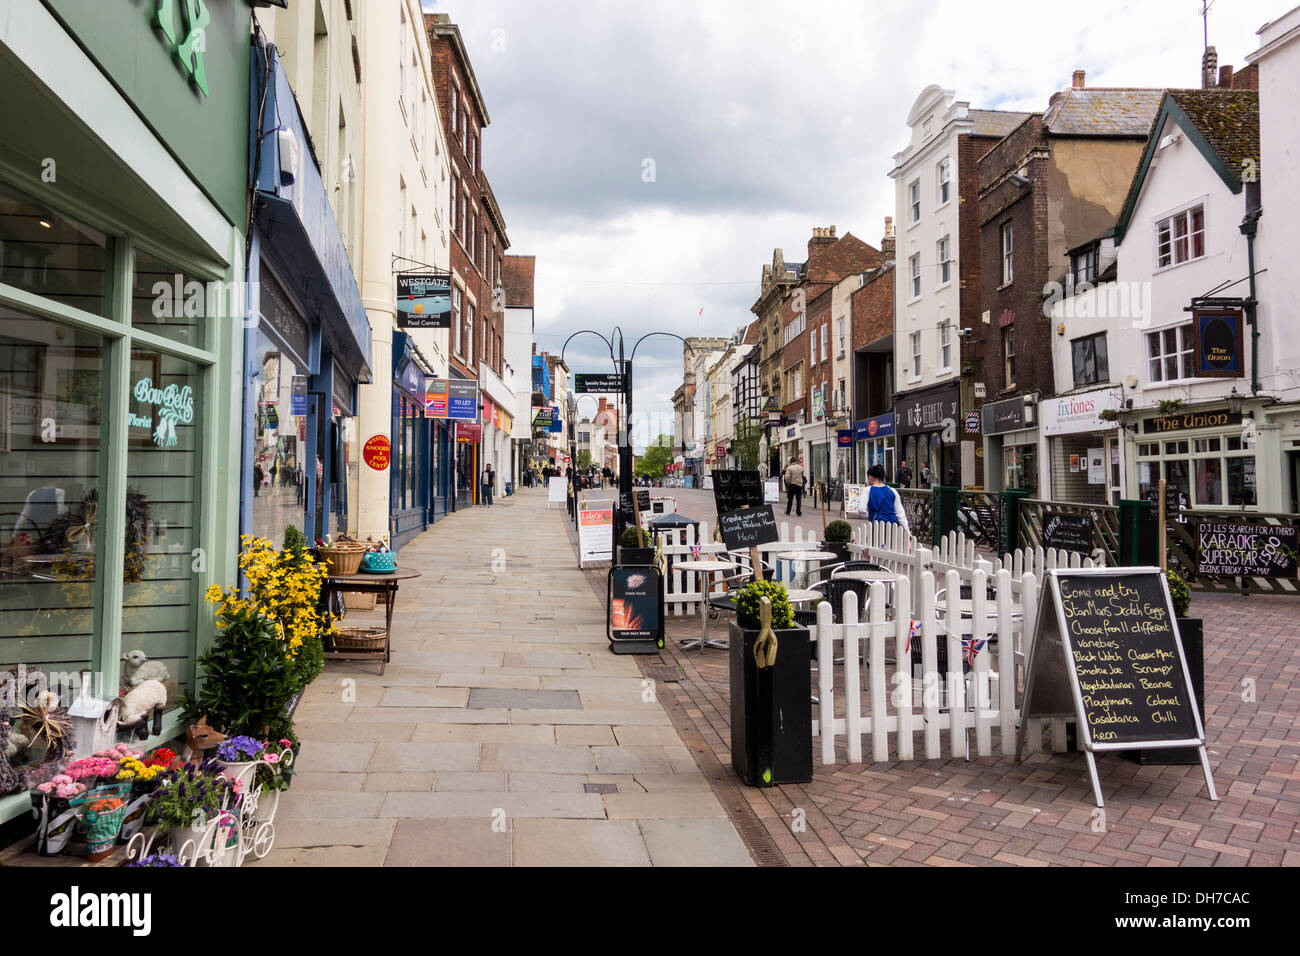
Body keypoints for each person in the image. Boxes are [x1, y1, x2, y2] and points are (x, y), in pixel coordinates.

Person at [866, 464, 909, 535]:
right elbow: (900, 513)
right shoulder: (892, 491)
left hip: (876, 525)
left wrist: (871, 515)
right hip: (892, 526)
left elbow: (861, 509)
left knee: (876, 544)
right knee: (891, 545)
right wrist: (907, 530)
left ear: (870, 477)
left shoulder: (868, 490)